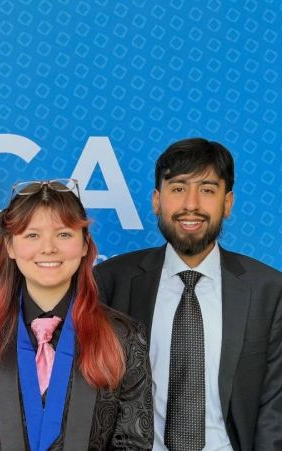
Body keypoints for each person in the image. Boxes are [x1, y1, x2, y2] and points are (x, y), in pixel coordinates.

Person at [94, 138, 282, 451]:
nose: (191, 204)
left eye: (207, 189)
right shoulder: (112, 282)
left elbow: (274, 407)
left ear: (228, 202)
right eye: (178, 188)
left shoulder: (268, 290)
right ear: (157, 200)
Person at [0, 179, 153, 450]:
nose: (48, 248)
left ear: (85, 245)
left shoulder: (124, 336)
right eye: (32, 235)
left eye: (63, 234)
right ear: (10, 246)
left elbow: (133, 442)